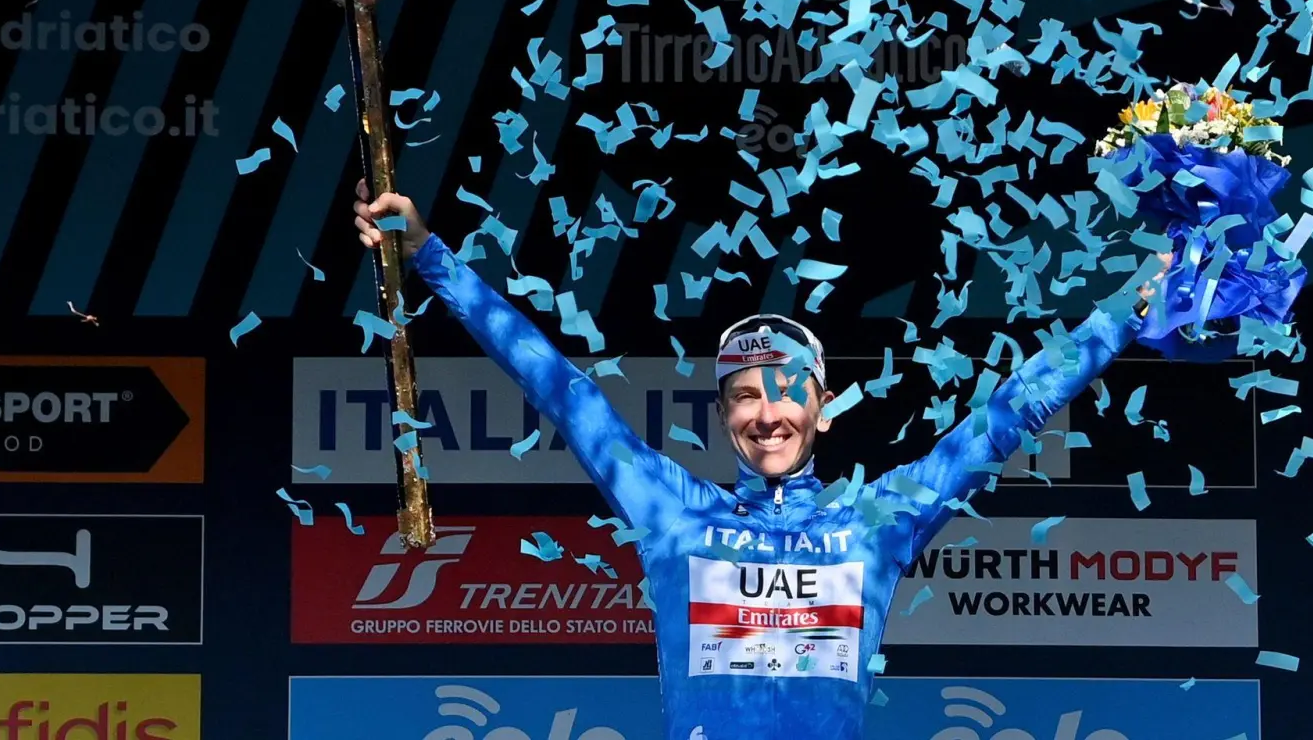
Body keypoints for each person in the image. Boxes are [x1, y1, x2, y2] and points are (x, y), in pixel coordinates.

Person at [353, 180, 1170, 740]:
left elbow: (1007, 414)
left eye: (785, 393)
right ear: (723, 414)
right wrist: (431, 257)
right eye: (745, 396)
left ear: (819, 405)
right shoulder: (673, 510)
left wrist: (1127, 315)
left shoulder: (874, 521)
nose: (767, 413)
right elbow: (563, 390)